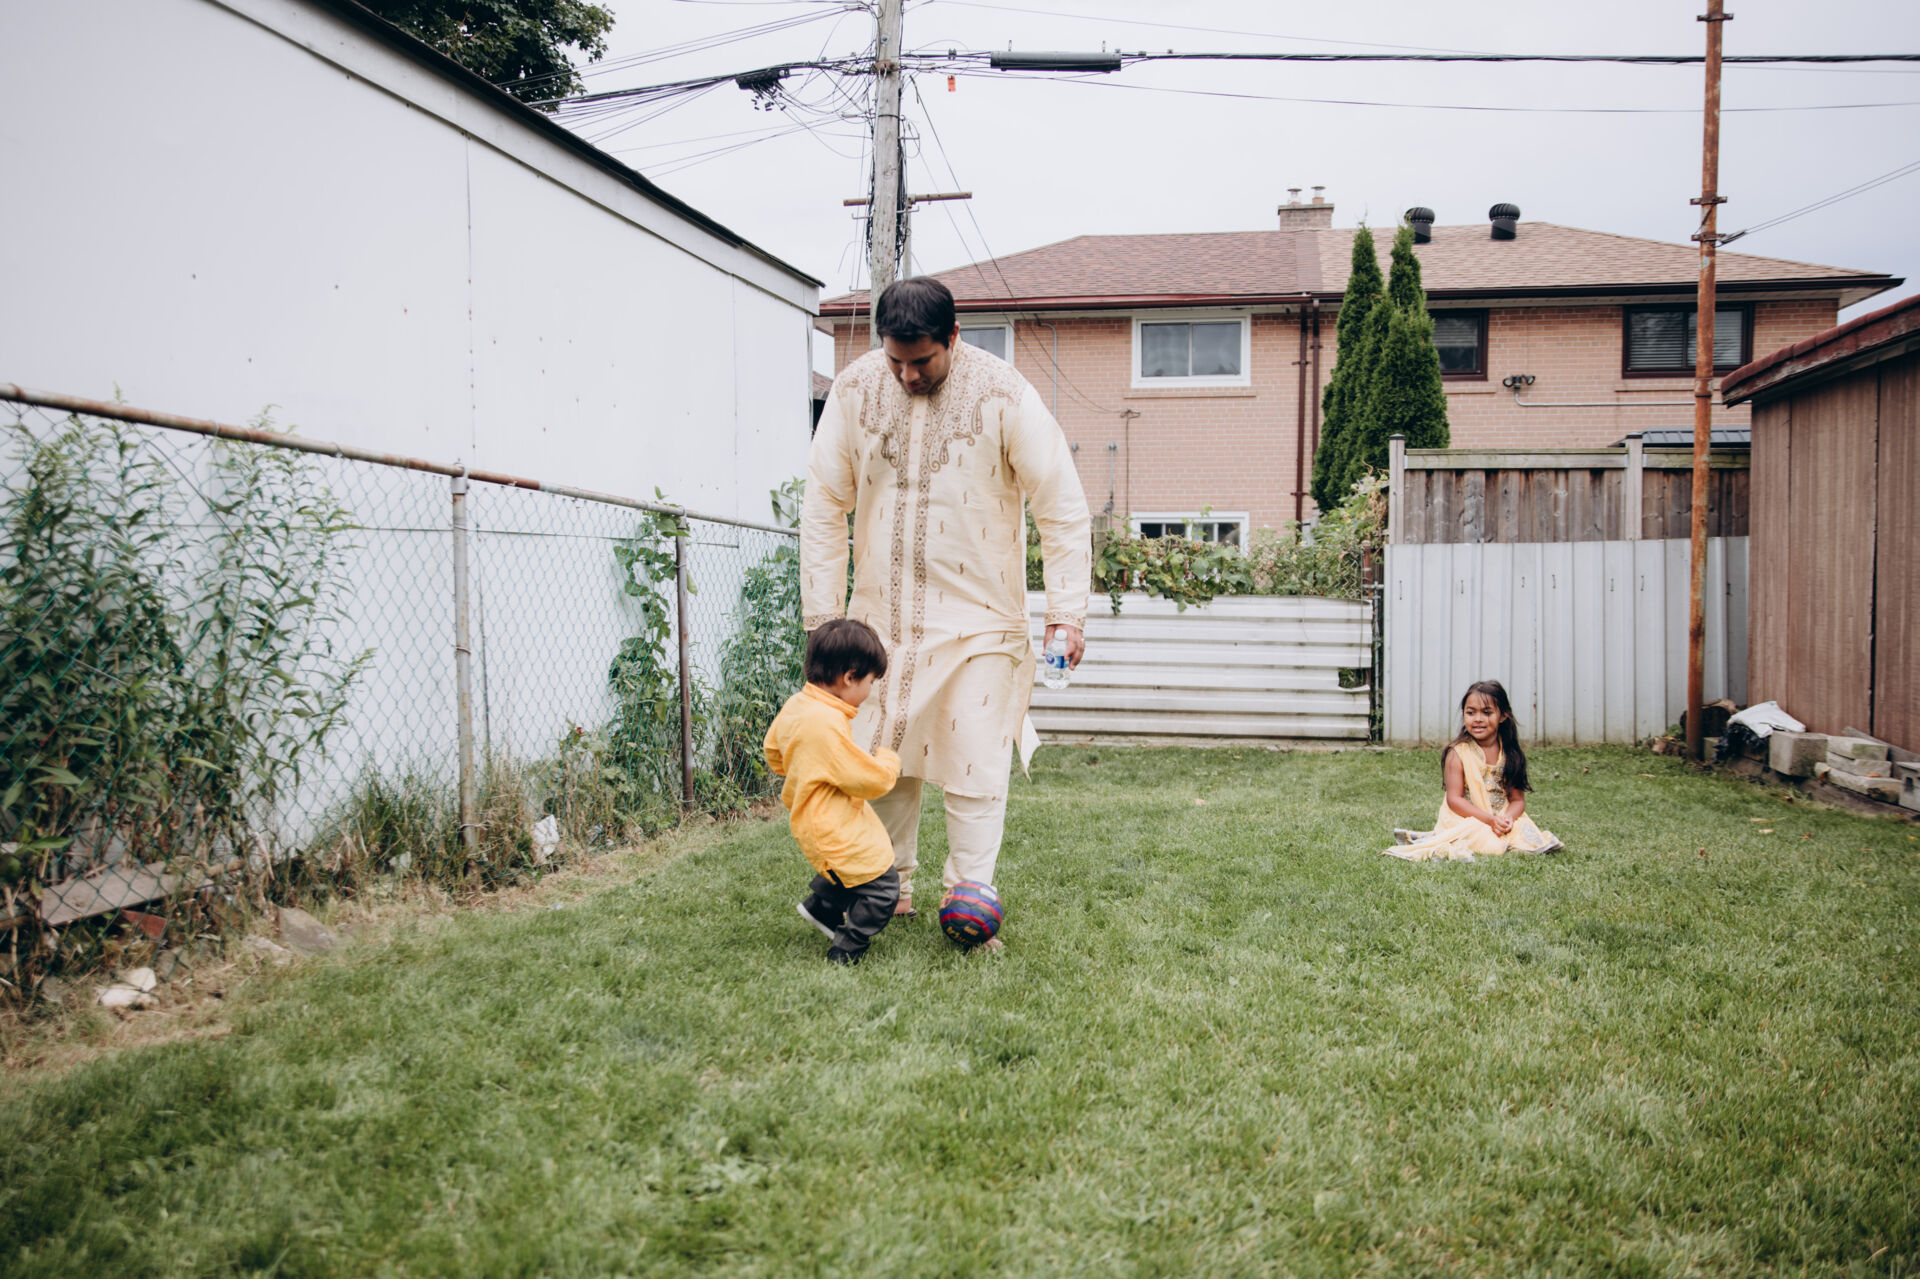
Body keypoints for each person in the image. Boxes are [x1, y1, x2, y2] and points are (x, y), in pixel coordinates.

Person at [802, 277, 1091, 949]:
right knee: (882, 758)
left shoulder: (1003, 393)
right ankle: (888, 885)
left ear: (954, 337)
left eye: (922, 361)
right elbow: (823, 504)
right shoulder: (853, 390)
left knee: (976, 763)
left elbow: (1061, 505)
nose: (907, 375)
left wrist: (1066, 612)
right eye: (895, 360)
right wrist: (822, 620)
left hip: (980, 619)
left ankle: (969, 899)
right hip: (880, 618)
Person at [763, 619, 903, 964]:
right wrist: (888, 761)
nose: (870, 690)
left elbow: (774, 752)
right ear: (850, 677)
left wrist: (805, 767)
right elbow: (870, 780)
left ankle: (822, 907)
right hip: (830, 825)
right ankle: (847, 948)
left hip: (822, 816)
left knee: (865, 858)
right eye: (871, 682)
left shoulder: (800, 704)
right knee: (882, 886)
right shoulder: (824, 723)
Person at [1383, 680, 1563, 863]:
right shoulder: (1457, 753)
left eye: (1487, 712)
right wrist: (1489, 820)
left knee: (1522, 828)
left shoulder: (1510, 753)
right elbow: (1454, 800)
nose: (1478, 719)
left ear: (1503, 716)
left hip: (1500, 817)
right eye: (1471, 713)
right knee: (1480, 835)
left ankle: (1505, 835)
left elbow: (1517, 800)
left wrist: (1507, 819)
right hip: (1467, 818)